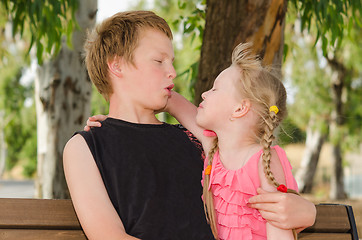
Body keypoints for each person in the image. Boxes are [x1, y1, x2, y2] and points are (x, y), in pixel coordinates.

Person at [65, 10, 316, 240]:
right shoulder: (86, 147)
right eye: (159, 61)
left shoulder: (196, 140)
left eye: (171, 61)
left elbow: (255, 179)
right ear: (116, 65)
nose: (172, 71)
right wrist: (118, 127)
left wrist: (307, 211)